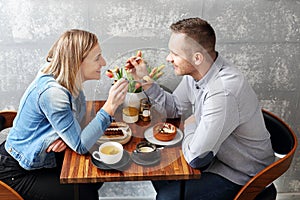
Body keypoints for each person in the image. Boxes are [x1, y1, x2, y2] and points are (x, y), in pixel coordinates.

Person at [127, 17, 275, 200]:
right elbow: (174, 108)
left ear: (197, 57)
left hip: (244, 174)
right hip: (219, 159)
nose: (168, 58)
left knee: (167, 197)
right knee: (156, 167)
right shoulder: (198, 72)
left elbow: (196, 158)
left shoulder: (223, 92)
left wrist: (191, 124)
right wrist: (144, 81)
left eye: (174, 53)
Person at [0, 29, 128, 200]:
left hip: (44, 159)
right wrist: (110, 107)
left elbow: (78, 124)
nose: (103, 63)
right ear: (77, 62)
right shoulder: (54, 93)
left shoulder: (67, 77)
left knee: (96, 171)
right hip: (17, 170)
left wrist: (66, 137)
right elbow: (81, 146)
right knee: (85, 192)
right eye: (97, 58)